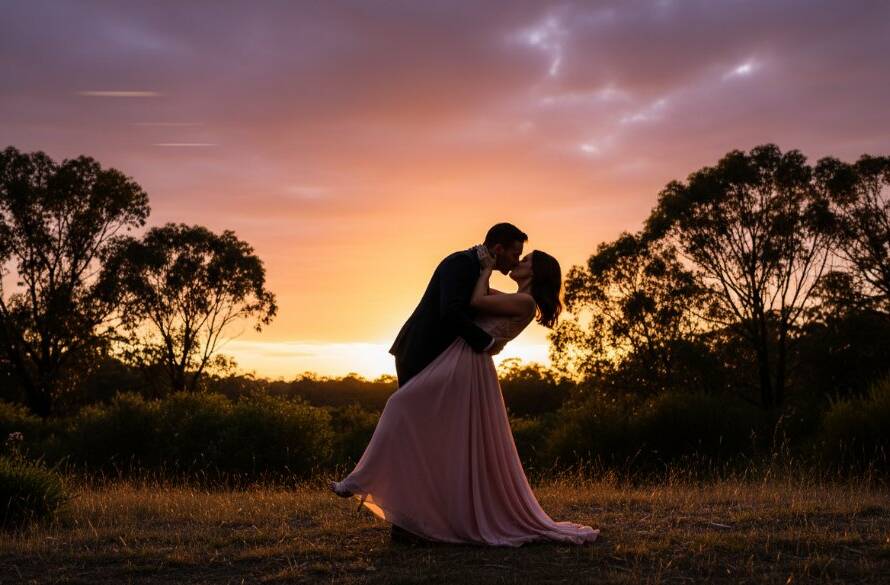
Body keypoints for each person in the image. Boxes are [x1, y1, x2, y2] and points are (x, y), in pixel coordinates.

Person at [329, 224, 600, 546]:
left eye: (523, 259)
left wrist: (485, 275)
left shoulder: (523, 302)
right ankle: (409, 519)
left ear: (535, 272)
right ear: (498, 248)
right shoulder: (470, 269)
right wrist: (485, 323)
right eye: (516, 253)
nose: (517, 261)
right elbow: (466, 305)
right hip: (450, 356)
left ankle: (365, 484)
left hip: (466, 360)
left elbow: (474, 300)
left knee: (405, 410)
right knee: (428, 432)